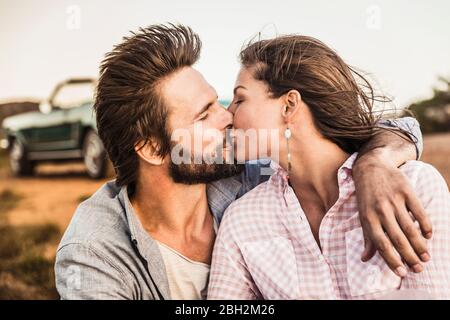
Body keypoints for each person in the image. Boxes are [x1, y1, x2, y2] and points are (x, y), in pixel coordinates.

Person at [55, 24, 429, 300]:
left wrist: (373, 163)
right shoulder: (95, 254)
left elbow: (393, 127)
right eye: (203, 116)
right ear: (152, 149)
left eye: (222, 102)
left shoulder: (251, 175)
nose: (227, 118)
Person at [207, 34, 450, 300]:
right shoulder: (242, 220)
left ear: (289, 105)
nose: (228, 114)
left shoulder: (415, 186)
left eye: (240, 99)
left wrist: (372, 163)